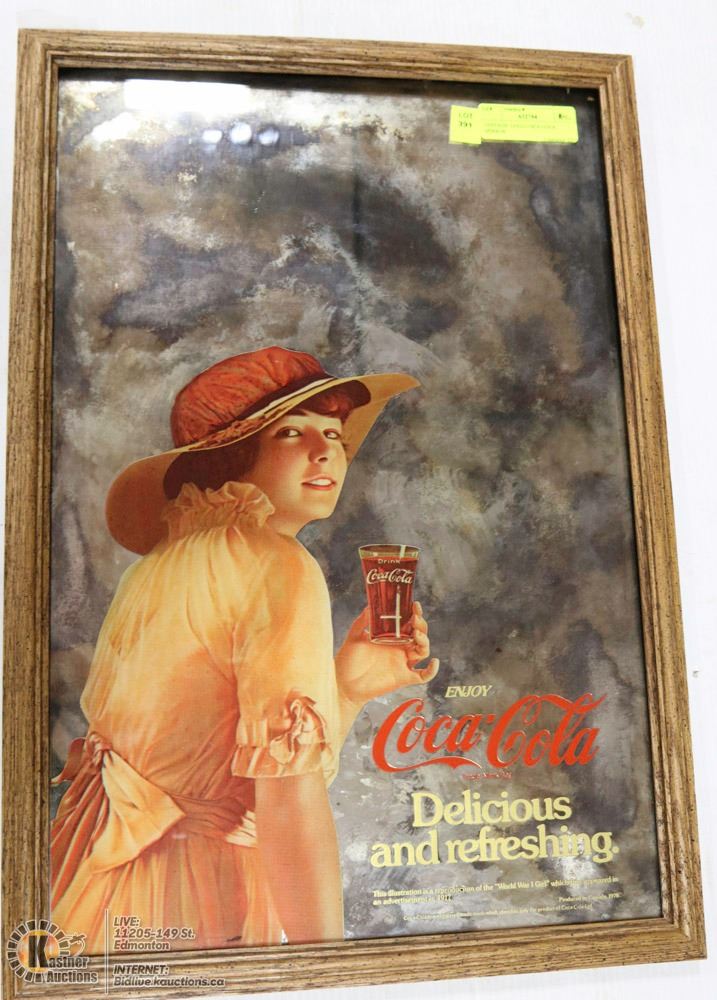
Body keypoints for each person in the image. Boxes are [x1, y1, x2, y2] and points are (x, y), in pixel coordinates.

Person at [51, 345, 438, 953]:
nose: (325, 453)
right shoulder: (276, 563)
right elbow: (287, 798)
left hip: (98, 882)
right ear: (235, 454)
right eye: (291, 432)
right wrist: (323, 971)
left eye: (333, 435)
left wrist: (346, 686)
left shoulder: (159, 563)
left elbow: (221, 758)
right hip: (194, 891)